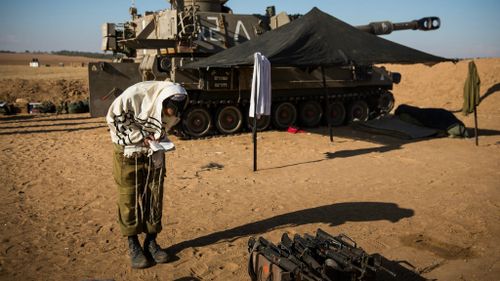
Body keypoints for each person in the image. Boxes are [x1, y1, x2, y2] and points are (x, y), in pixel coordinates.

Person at [106, 81, 188, 269]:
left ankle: (151, 241)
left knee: (154, 194)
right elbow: (113, 120)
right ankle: (133, 244)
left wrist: (157, 138)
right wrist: (139, 137)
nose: (173, 111)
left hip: (153, 150)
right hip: (128, 149)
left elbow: (164, 123)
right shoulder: (134, 96)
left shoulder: (175, 103)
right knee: (129, 197)